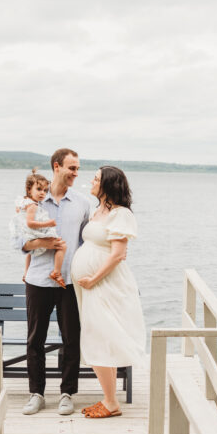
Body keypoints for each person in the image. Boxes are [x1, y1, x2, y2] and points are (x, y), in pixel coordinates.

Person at [71, 166, 145, 418]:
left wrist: (93, 278)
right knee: (101, 337)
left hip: (105, 284)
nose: (91, 181)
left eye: (96, 179)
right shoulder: (98, 211)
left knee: (98, 336)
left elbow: (117, 254)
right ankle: (110, 400)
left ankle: (111, 402)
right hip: (92, 286)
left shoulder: (120, 214)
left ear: (108, 185)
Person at [21, 148, 90, 417]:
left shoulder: (83, 203)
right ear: (57, 166)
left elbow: (88, 243)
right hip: (38, 280)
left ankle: (67, 393)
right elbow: (19, 242)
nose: (75, 173)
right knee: (35, 340)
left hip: (70, 283)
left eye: (78, 169)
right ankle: (36, 393)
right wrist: (44, 242)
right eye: (71, 168)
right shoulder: (34, 201)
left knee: (71, 339)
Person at [14, 169, 66, 288]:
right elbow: (30, 223)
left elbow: (19, 212)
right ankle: (56, 273)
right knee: (62, 245)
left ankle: (26, 273)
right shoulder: (33, 205)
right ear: (29, 189)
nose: (42, 193)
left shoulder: (25, 202)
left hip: (29, 234)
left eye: (45, 190)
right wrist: (48, 223)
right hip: (33, 232)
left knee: (31, 254)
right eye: (39, 189)